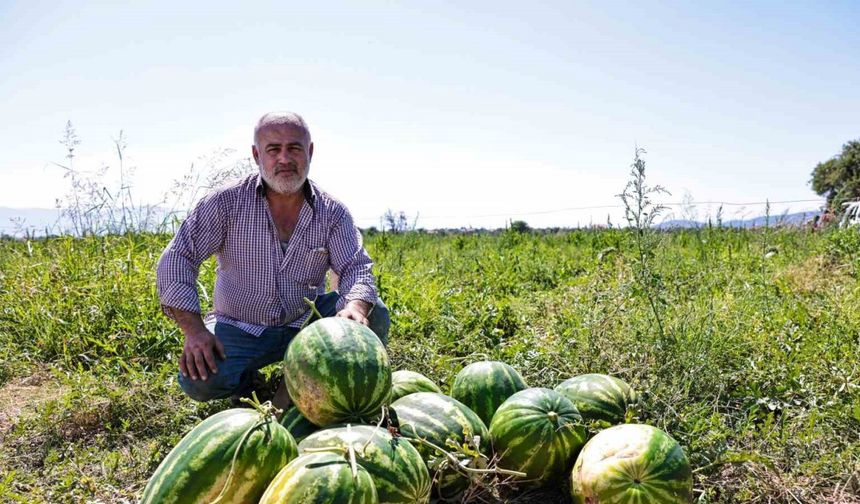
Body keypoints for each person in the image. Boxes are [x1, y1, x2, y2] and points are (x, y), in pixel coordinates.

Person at [156, 111, 389, 407]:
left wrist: (354, 307)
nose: (284, 159)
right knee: (199, 380)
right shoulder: (225, 203)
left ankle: (310, 386)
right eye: (273, 149)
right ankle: (247, 382)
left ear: (310, 152)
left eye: (294, 148)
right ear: (256, 155)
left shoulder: (332, 213)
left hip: (307, 325)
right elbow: (179, 257)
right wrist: (195, 330)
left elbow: (355, 267)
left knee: (374, 313)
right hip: (241, 328)